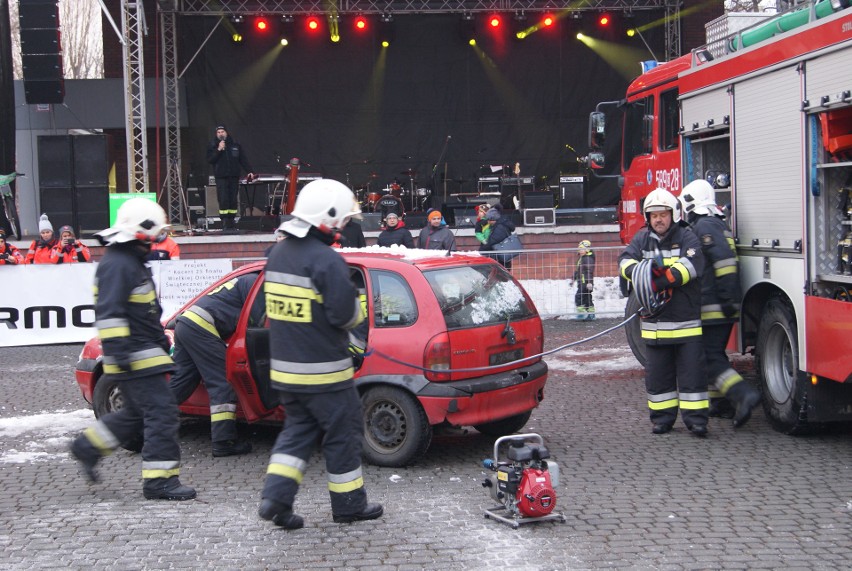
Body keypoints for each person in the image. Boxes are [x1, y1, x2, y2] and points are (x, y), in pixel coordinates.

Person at [259, 179, 382, 530]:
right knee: (343, 433)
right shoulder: (326, 261)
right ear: (327, 219)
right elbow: (345, 316)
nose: (344, 227)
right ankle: (349, 506)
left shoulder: (277, 255)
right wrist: (359, 312)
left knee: (296, 433)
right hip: (326, 373)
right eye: (343, 221)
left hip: (286, 372)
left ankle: (276, 499)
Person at [69, 197, 195, 501]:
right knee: (162, 414)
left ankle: (87, 446)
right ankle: (160, 481)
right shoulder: (120, 264)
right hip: (135, 356)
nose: (156, 242)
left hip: (141, 352)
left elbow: (141, 312)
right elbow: (110, 314)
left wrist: (161, 340)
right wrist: (122, 356)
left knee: (138, 414)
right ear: (141, 231)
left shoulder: (127, 261)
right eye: (154, 235)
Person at [618, 188, 708, 437]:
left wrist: (654, 278)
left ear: (674, 214)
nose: (658, 219)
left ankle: (697, 420)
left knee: (692, 377)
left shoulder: (687, 237)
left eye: (663, 214)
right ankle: (662, 419)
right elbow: (625, 261)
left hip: (685, 323)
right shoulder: (641, 239)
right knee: (658, 379)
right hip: (655, 327)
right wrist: (637, 273)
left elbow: (688, 268)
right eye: (653, 215)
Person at [680, 179, 761, 427]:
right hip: (718, 303)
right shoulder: (714, 223)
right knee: (715, 355)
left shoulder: (704, 225)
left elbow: (724, 262)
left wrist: (726, 300)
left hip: (714, 305)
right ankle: (721, 403)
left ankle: (743, 395)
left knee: (707, 356)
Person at [169, 273, 258, 457]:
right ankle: (224, 442)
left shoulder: (244, 279)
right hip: (202, 327)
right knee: (222, 382)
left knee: (182, 382)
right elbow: (256, 317)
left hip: (186, 324)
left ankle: (141, 424)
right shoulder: (254, 283)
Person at [206, 124, 255, 233]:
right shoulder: (213, 145)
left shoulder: (235, 144)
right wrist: (219, 149)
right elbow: (210, 160)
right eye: (218, 132)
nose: (220, 134)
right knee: (223, 199)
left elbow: (243, 159)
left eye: (222, 132)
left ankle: (232, 221)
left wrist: (250, 171)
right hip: (221, 177)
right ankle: (224, 222)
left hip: (233, 176)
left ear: (226, 133)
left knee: (233, 199)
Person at [573, 240, 596, 320]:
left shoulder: (588, 259)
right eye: (579, 249)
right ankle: (591, 314)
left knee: (579, 296)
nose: (580, 251)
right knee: (587, 298)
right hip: (582, 281)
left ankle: (581, 313)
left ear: (587, 250)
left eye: (582, 249)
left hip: (585, 282)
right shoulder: (582, 258)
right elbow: (579, 270)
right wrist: (575, 276)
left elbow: (589, 271)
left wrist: (589, 282)